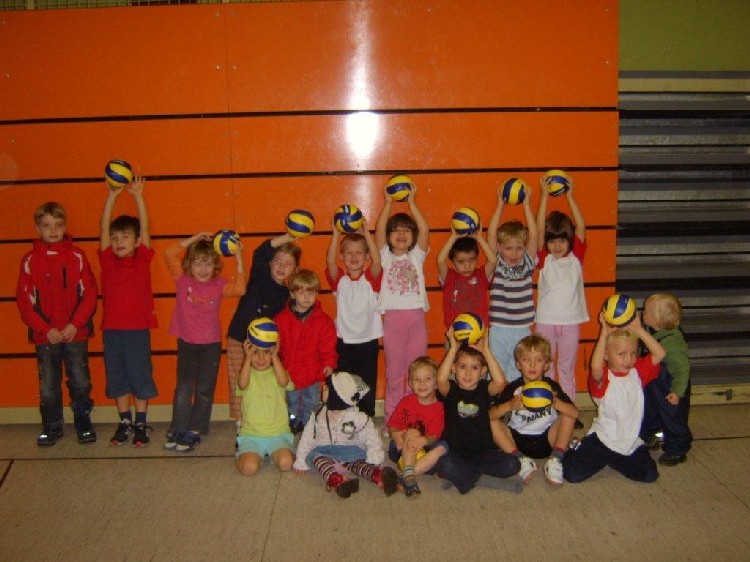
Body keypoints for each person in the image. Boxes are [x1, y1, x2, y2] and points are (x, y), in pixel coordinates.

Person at [16, 202, 98, 446]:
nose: (53, 230)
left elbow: (90, 294)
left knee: (80, 381)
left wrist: (75, 324)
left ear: (65, 227)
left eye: (58, 225)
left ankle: (83, 420)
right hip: (46, 337)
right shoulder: (30, 260)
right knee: (49, 385)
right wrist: (46, 329)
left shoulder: (77, 256)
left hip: (75, 334)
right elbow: (25, 302)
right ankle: (52, 426)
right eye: (47, 226)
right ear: (37, 228)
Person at [163, 232, 246, 452]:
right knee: (183, 388)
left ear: (215, 265)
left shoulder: (218, 284)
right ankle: (179, 427)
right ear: (189, 265)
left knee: (204, 390)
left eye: (208, 263)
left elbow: (240, 289)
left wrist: (238, 256)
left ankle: (195, 430)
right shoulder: (183, 280)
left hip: (210, 346)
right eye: (198, 263)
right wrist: (196, 237)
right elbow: (169, 253)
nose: (203, 269)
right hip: (187, 344)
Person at [562, 312, 665, 483]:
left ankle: (613, 459)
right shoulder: (604, 378)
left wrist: (640, 331)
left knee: (650, 475)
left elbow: (660, 354)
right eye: (621, 354)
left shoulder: (637, 372)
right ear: (606, 355)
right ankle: (576, 446)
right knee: (572, 475)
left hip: (629, 441)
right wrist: (604, 334)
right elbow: (595, 368)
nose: (628, 359)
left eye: (633, 353)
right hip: (603, 439)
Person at [99, 176, 158, 446]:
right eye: (114, 238)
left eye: (125, 237)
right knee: (118, 377)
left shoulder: (142, 258)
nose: (118, 241)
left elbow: (145, 226)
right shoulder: (107, 261)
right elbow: (103, 228)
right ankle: (125, 420)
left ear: (137, 241)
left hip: (137, 331)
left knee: (140, 375)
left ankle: (141, 421)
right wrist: (112, 196)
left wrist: (137, 196)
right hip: (112, 332)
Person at [434, 328, 522, 494]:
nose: (468, 373)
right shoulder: (450, 389)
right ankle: (484, 480)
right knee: (442, 462)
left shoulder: (484, 389)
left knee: (513, 464)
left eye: (474, 368)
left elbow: (500, 382)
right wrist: (453, 348)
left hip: (482, 452)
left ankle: (463, 476)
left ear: (483, 371)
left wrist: (486, 351)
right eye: (462, 367)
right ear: (453, 368)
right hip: (454, 452)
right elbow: (440, 379)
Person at [225, 233, 301, 424]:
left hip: (265, 345)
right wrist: (289, 236)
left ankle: (264, 418)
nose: (282, 267)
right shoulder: (260, 277)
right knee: (239, 380)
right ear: (269, 263)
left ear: (295, 269)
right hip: (240, 338)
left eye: (288, 264)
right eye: (278, 261)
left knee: (264, 382)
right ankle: (241, 422)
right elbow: (261, 252)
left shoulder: (287, 295)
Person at [375, 178, 430, 423]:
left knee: (417, 370)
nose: (401, 234)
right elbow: (378, 231)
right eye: (396, 230)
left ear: (413, 237)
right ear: (389, 237)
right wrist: (388, 202)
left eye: (406, 231)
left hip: (416, 317)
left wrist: (412, 203)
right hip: (393, 319)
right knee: (395, 372)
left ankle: (413, 415)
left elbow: (424, 230)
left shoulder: (416, 256)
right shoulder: (385, 257)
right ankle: (393, 418)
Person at [293, 371, 398, 498]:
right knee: (316, 459)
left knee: (360, 463)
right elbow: (307, 437)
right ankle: (337, 479)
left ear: (337, 397)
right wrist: (300, 461)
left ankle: (377, 475)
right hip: (325, 452)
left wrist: (375, 457)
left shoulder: (357, 417)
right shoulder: (318, 415)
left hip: (351, 453)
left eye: (327, 388)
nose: (323, 388)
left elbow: (371, 437)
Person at [490, 335, 578, 486]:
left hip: (548, 439)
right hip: (517, 440)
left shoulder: (551, 386)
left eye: (538, 360)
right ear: (518, 364)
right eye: (526, 360)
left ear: (547, 365)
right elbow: (490, 415)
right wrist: (509, 405)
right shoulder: (513, 388)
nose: (532, 365)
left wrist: (555, 402)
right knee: (490, 422)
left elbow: (575, 413)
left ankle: (555, 459)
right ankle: (520, 460)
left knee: (568, 413)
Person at [534, 176, 588, 405]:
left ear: (570, 241)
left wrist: (570, 197)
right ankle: (546, 407)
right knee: (545, 368)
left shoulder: (576, 258)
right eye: (552, 241)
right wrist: (544, 196)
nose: (557, 245)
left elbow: (581, 226)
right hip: (545, 321)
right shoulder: (544, 259)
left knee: (566, 368)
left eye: (562, 241)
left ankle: (567, 408)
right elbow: (538, 229)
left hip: (570, 322)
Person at [325, 219, 383, 417]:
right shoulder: (339, 280)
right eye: (348, 253)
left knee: (367, 381)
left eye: (359, 253)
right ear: (342, 257)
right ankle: (344, 416)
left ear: (366, 257)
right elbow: (330, 262)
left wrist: (367, 234)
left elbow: (377, 262)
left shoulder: (371, 279)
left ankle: (366, 416)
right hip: (344, 341)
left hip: (368, 341)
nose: (354, 257)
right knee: (345, 381)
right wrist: (336, 234)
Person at [274, 269, 338, 433]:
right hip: (290, 372)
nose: (306, 297)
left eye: (311, 292)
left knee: (312, 401)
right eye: (301, 292)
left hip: (313, 371)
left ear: (316, 294)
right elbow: (275, 345)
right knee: (292, 401)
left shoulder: (323, 320)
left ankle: (310, 423)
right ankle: (293, 421)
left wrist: (329, 363)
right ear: (292, 294)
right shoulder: (281, 319)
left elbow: (328, 345)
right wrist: (275, 365)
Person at [486, 184, 538, 382]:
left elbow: (533, 235)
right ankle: (497, 401)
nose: (514, 253)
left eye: (519, 248)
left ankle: (516, 401)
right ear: (499, 248)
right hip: (498, 328)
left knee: (519, 374)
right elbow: (491, 234)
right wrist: (500, 204)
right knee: (496, 372)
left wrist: (527, 204)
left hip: (522, 328)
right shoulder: (496, 262)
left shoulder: (527, 263)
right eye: (508, 248)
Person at [640, 293, 693, 466]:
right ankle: (648, 435)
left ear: (656, 320)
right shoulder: (653, 331)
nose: (642, 313)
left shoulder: (673, 344)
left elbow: (682, 370)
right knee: (649, 410)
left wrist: (677, 392)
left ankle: (677, 449)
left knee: (672, 418)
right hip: (654, 385)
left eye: (645, 311)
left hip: (670, 387)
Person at [386, 356, 448, 497]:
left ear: (436, 383)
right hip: (402, 449)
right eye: (417, 380)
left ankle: (406, 475)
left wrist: (424, 440)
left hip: (426, 453)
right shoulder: (406, 402)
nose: (422, 384)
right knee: (412, 432)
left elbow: (434, 436)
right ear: (410, 384)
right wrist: (395, 434)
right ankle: (409, 473)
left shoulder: (440, 407)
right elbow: (392, 426)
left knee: (443, 447)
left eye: (427, 379)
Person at [235, 339, 295, 476]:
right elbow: (242, 385)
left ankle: (275, 453)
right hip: (252, 435)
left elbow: (284, 382)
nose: (261, 358)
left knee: (286, 464)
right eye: (255, 352)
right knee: (249, 468)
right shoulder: (246, 374)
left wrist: (275, 357)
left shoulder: (278, 373)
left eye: (266, 352)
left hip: (278, 434)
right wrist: (247, 358)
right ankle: (244, 455)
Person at [436, 223, 496, 345]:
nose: (467, 266)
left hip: (479, 335)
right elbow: (440, 260)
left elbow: (493, 260)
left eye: (472, 260)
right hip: (455, 335)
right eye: (461, 261)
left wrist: (479, 238)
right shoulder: (449, 277)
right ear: (452, 262)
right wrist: (453, 237)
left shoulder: (481, 276)